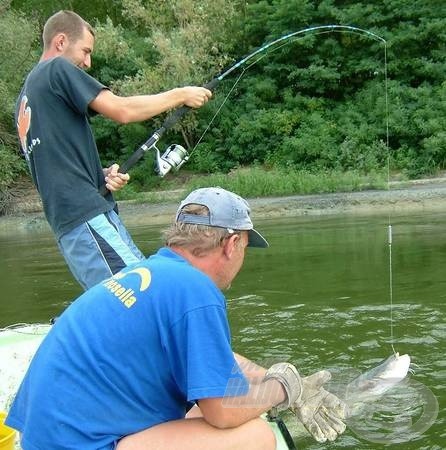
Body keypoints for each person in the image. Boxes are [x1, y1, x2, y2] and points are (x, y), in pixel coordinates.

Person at [6, 187, 347, 450]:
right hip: (82, 445)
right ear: (230, 244)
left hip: (42, 438)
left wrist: (278, 378)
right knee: (253, 434)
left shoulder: (150, 272)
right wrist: (282, 390)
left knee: (216, 408)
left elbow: (217, 361)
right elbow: (224, 411)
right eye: (244, 246)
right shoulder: (196, 290)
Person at [16, 10, 212, 290]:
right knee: (140, 296)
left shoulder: (25, 99)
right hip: (84, 214)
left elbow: (54, 162)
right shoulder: (55, 70)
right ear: (60, 42)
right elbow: (122, 110)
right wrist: (182, 94)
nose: (87, 62)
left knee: (134, 294)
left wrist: (101, 174)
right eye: (85, 51)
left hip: (73, 217)